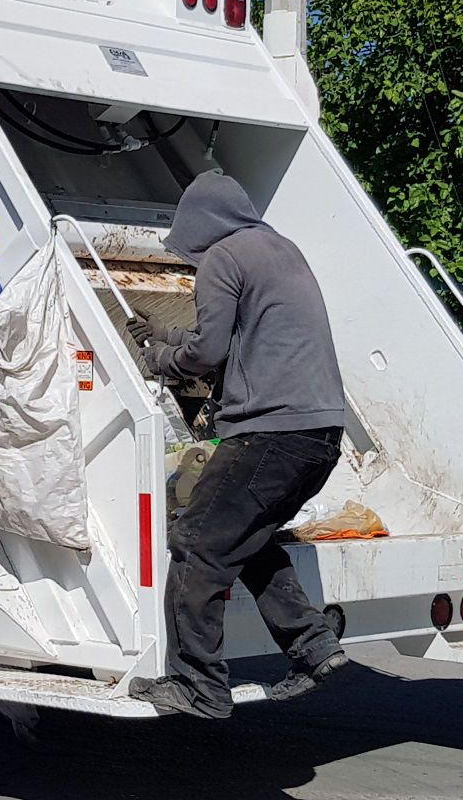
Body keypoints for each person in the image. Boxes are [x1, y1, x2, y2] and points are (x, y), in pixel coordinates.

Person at [126, 170, 349, 718]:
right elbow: (236, 337)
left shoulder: (223, 257)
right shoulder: (279, 248)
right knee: (247, 540)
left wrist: (160, 359)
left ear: (198, 226)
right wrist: (167, 337)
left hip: (269, 434)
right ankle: (314, 647)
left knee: (196, 544)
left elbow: (206, 355)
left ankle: (197, 686)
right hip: (320, 435)